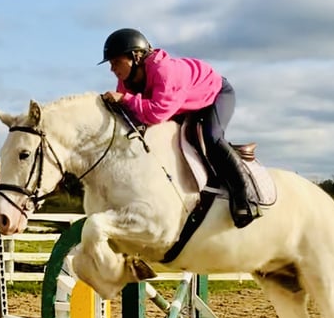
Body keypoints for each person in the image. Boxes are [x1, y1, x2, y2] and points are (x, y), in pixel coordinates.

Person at [99, 27, 259, 228]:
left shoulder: (164, 72)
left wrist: (125, 99)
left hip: (215, 95)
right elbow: (131, 116)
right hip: (182, 103)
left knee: (212, 137)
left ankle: (245, 198)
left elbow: (156, 113)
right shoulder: (126, 81)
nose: (112, 69)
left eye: (115, 62)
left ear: (135, 56)